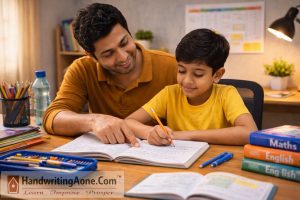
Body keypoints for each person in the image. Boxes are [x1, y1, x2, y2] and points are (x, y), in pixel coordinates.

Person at [43, 3, 178, 146]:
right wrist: (94, 121)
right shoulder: (82, 69)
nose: (122, 57)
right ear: (92, 56)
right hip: (106, 161)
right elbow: (53, 117)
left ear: (129, 32)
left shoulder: (172, 66)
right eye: (108, 53)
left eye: (124, 42)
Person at [126, 28, 257, 146]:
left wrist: (186, 135)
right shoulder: (169, 94)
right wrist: (150, 132)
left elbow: (249, 132)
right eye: (181, 71)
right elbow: (128, 122)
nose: (187, 81)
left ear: (217, 75)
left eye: (198, 74)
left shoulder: (226, 94)